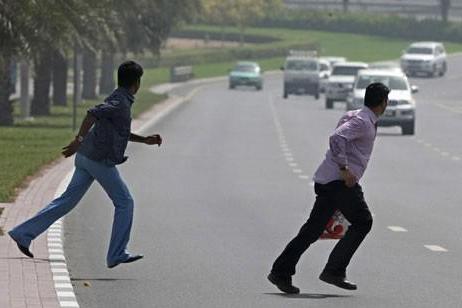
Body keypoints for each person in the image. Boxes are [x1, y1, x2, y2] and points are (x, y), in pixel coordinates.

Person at [9, 60, 162, 268]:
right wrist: (77, 140)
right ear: (136, 83)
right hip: (98, 160)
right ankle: (116, 253)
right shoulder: (120, 102)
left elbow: (119, 132)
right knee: (125, 202)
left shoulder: (118, 97)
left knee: (66, 201)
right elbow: (92, 113)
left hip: (86, 158)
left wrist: (144, 140)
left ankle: (22, 234)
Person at [268, 82, 390, 293]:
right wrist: (344, 168)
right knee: (363, 221)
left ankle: (281, 271)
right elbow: (337, 137)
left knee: (312, 230)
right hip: (339, 183)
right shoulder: (362, 121)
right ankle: (334, 270)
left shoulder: (356, 115)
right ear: (383, 103)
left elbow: (340, 137)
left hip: (329, 181)